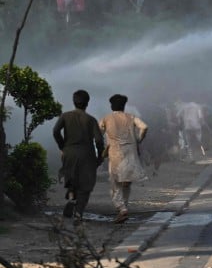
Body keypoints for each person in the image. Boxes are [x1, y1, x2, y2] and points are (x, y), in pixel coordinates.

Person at [52, 89, 105, 220]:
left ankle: (71, 198)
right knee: (85, 186)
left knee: (71, 179)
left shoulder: (65, 116)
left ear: (74, 102)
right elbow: (98, 140)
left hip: (69, 153)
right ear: (87, 103)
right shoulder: (91, 120)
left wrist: (62, 146)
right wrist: (100, 157)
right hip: (87, 154)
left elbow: (55, 131)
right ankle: (78, 213)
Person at [99, 94, 149, 224]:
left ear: (111, 106)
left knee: (115, 183)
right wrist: (138, 140)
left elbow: (98, 133)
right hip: (130, 152)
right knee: (127, 182)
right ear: (124, 106)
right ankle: (124, 207)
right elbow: (144, 127)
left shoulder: (106, 118)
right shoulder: (131, 117)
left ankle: (122, 208)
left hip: (115, 153)